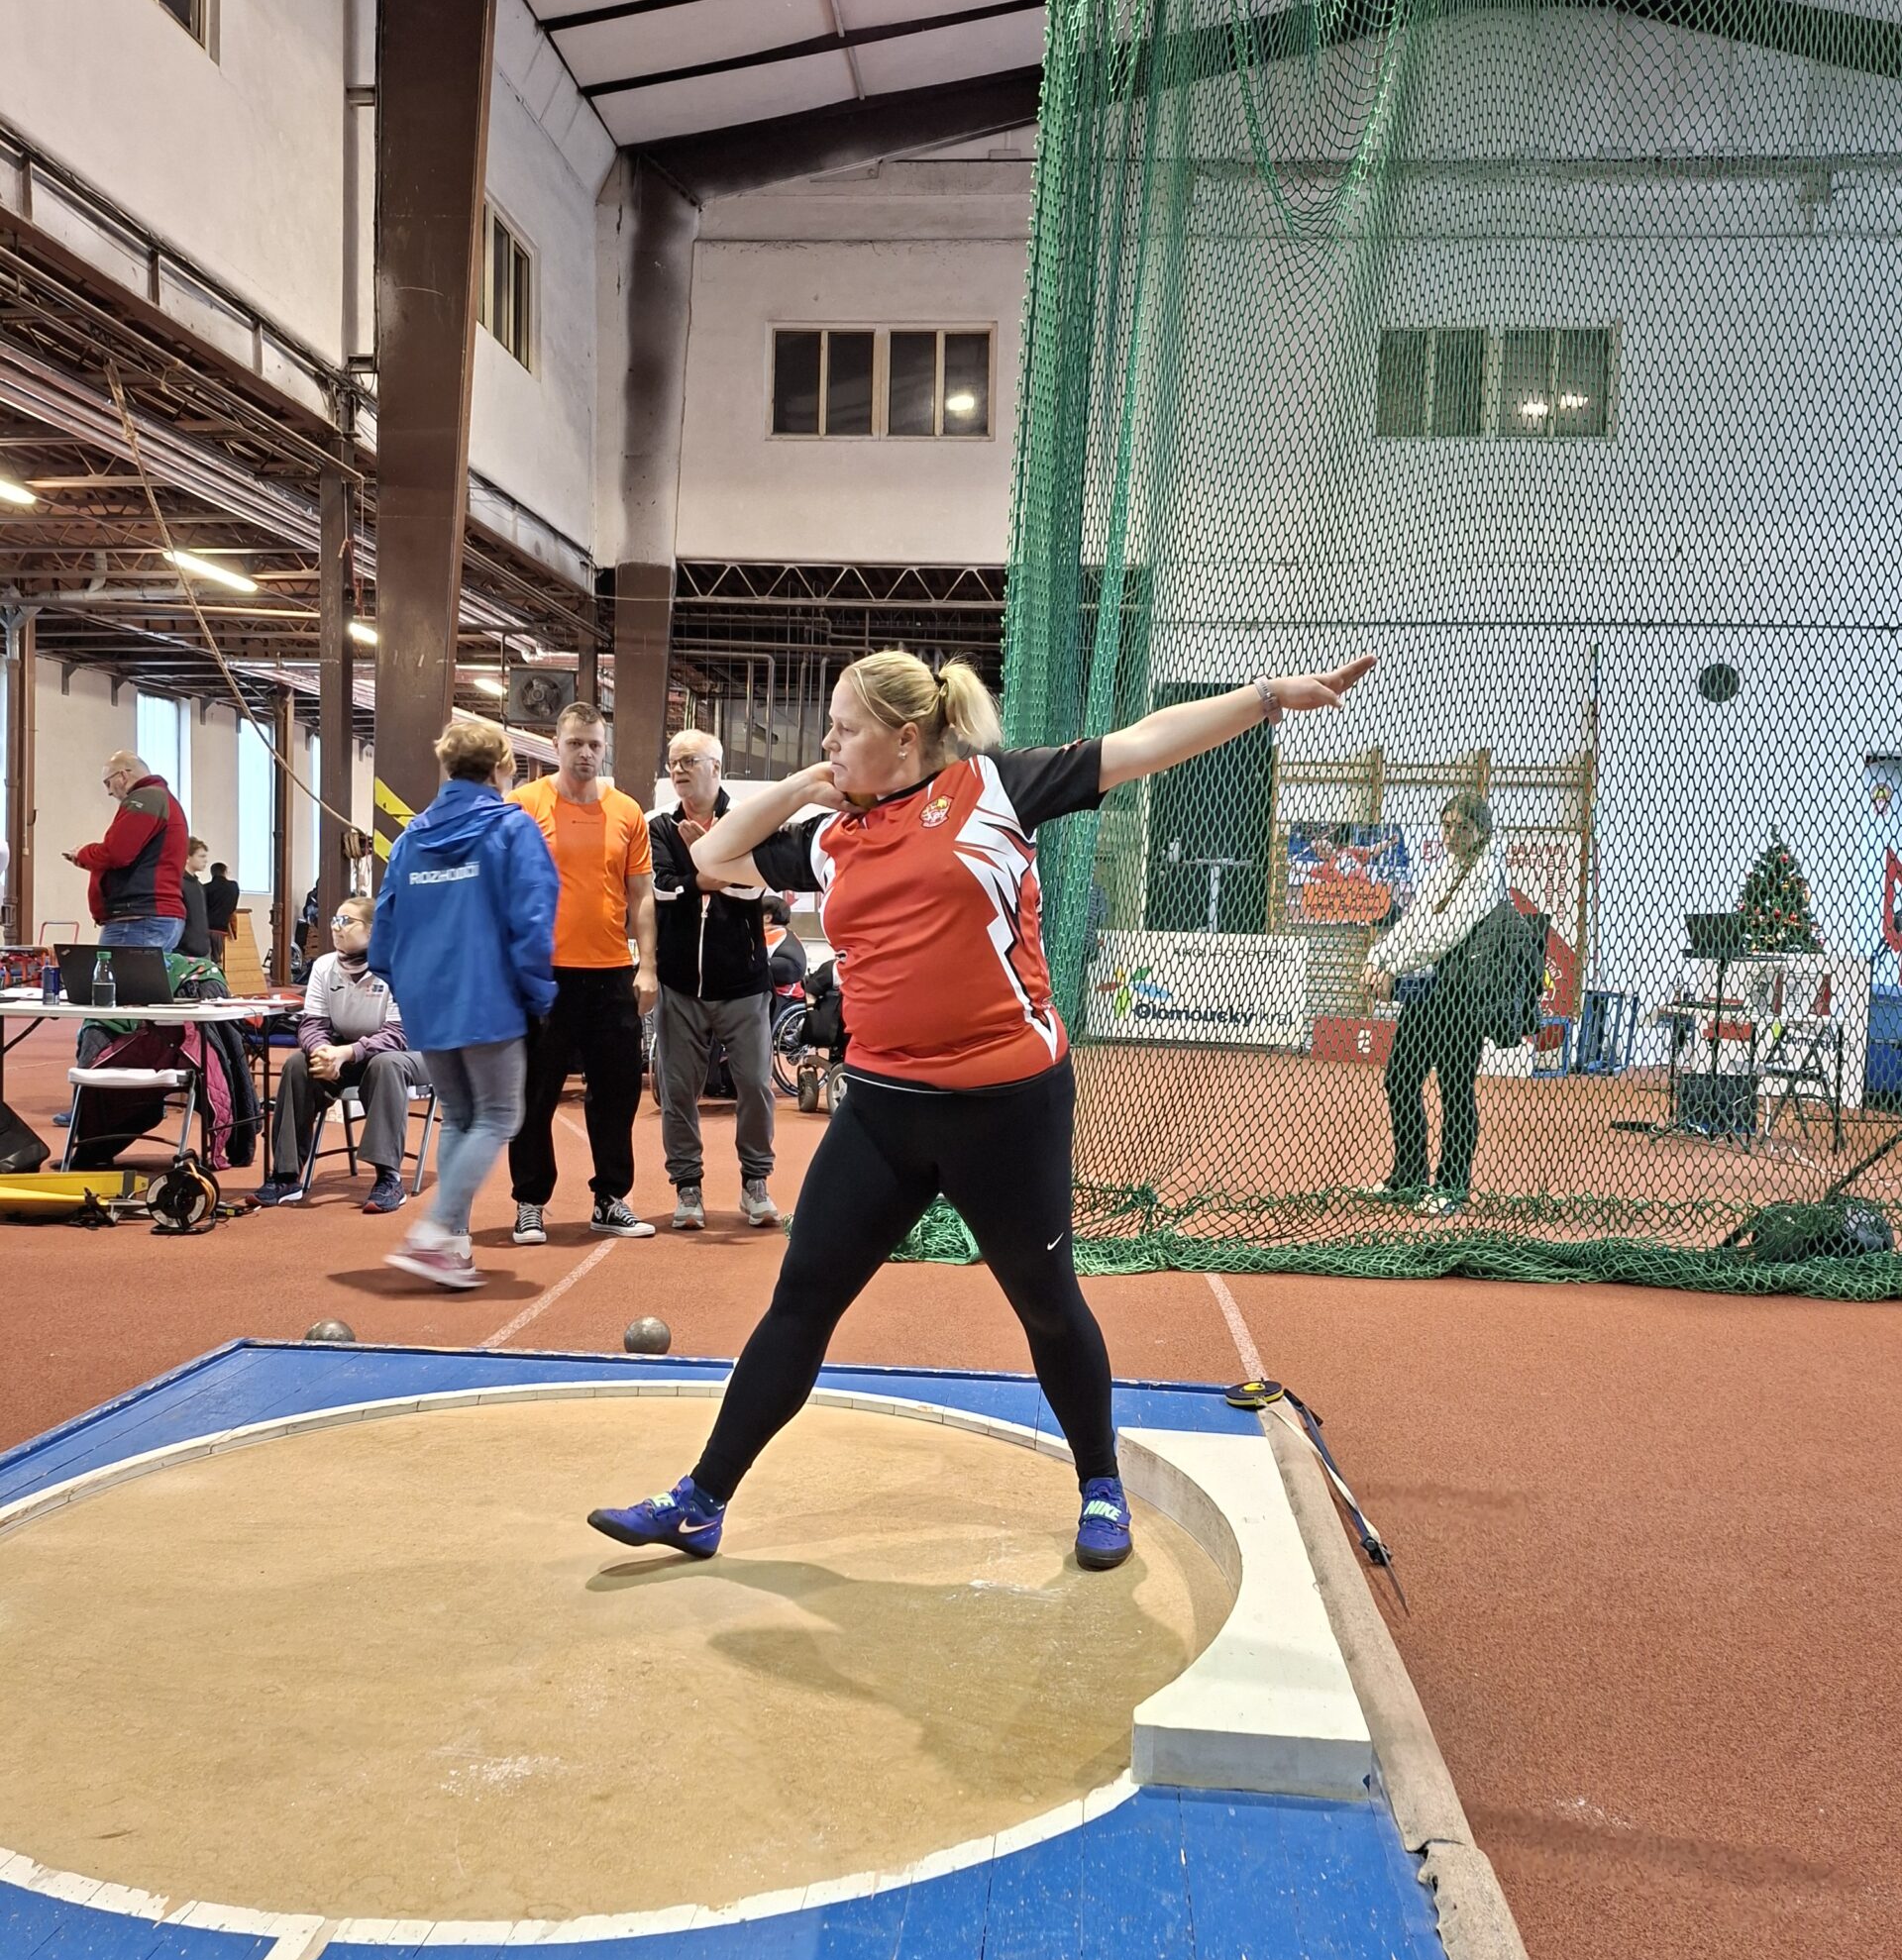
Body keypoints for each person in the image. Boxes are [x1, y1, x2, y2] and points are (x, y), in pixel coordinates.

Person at [588, 646, 1375, 1570]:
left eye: (843, 729)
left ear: (905, 737)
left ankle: (1101, 1483)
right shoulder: (830, 837)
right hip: (883, 1111)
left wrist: (1268, 694)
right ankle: (702, 1501)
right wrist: (808, 783)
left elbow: (1145, 742)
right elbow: (710, 854)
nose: (828, 743)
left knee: (1047, 1305)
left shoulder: (994, 789)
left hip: (1006, 1109)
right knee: (800, 1302)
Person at [369, 716, 558, 1289]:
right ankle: (433, 1230)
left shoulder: (409, 838)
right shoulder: (512, 829)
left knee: (459, 1115)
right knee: (500, 1115)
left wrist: (408, 985)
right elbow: (533, 918)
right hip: (486, 994)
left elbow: (384, 924)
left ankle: (449, 1244)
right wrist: (538, 993)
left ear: (446, 766)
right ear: (503, 768)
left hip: (427, 998)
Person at [505, 700, 659, 1245]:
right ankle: (530, 1201)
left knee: (617, 1094)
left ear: (605, 748)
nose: (586, 753)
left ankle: (610, 1199)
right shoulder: (523, 805)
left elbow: (642, 896)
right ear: (556, 745)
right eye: (575, 743)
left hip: (612, 972)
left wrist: (648, 967)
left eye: (595, 744)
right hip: (542, 976)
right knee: (534, 1094)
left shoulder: (627, 811)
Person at [648, 729, 781, 1233]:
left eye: (689, 760)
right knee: (677, 1089)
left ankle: (755, 1182)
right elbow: (662, 889)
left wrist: (705, 860)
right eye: (673, 761)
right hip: (679, 983)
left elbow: (753, 890)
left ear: (716, 768)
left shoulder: (746, 821)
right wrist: (707, 872)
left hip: (743, 983)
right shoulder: (659, 826)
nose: (679, 769)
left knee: (755, 1084)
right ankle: (687, 1186)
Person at [1362, 790, 1513, 1214]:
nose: (1451, 835)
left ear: (1481, 831)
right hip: (1430, 988)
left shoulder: (1486, 873)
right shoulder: (1445, 867)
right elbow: (1415, 923)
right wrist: (1378, 958)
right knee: (1400, 1076)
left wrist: (1393, 969)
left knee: (1455, 1087)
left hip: (1464, 994)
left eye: (1461, 827)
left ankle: (1451, 1186)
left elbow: (1445, 935)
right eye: (1446, 826)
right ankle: (1409, 1175)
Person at [256, 894, 427, 1212]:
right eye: (335, 919)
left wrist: (346, 1053)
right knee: (298, 1064)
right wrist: (322, 1051)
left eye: (346, 921)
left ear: (373, 930)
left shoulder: (399, 964)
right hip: (347, 1051)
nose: (336, 927)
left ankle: (388, 1177)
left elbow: (398, 1034)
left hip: (411, 1053)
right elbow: (312, 1023)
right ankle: (286, 1176)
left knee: (386, 1064)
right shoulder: (324, 965)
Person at [63, 751, 189, 952]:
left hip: (138, 918)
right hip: (155, 916)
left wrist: (83, 853)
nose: (109, 792)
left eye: (108, 783)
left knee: (115, 973)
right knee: (144, 973)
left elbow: (117, 853)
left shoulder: (145, 798)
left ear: (122, 776)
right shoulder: (162, 799)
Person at [179, 840, 212, 961]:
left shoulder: (199, 886)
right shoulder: (179, 884)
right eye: (201, 856)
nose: (205, 860)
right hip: (184, 950)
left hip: (202, 948)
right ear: (188, 857)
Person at [204, 861, 241, 965]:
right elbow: (232, 908)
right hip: (221, 928)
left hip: (204, 928)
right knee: (216, 959)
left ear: (212, 873)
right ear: (225, 872)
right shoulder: (233, 886)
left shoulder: (205, 888)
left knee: (204, 960)